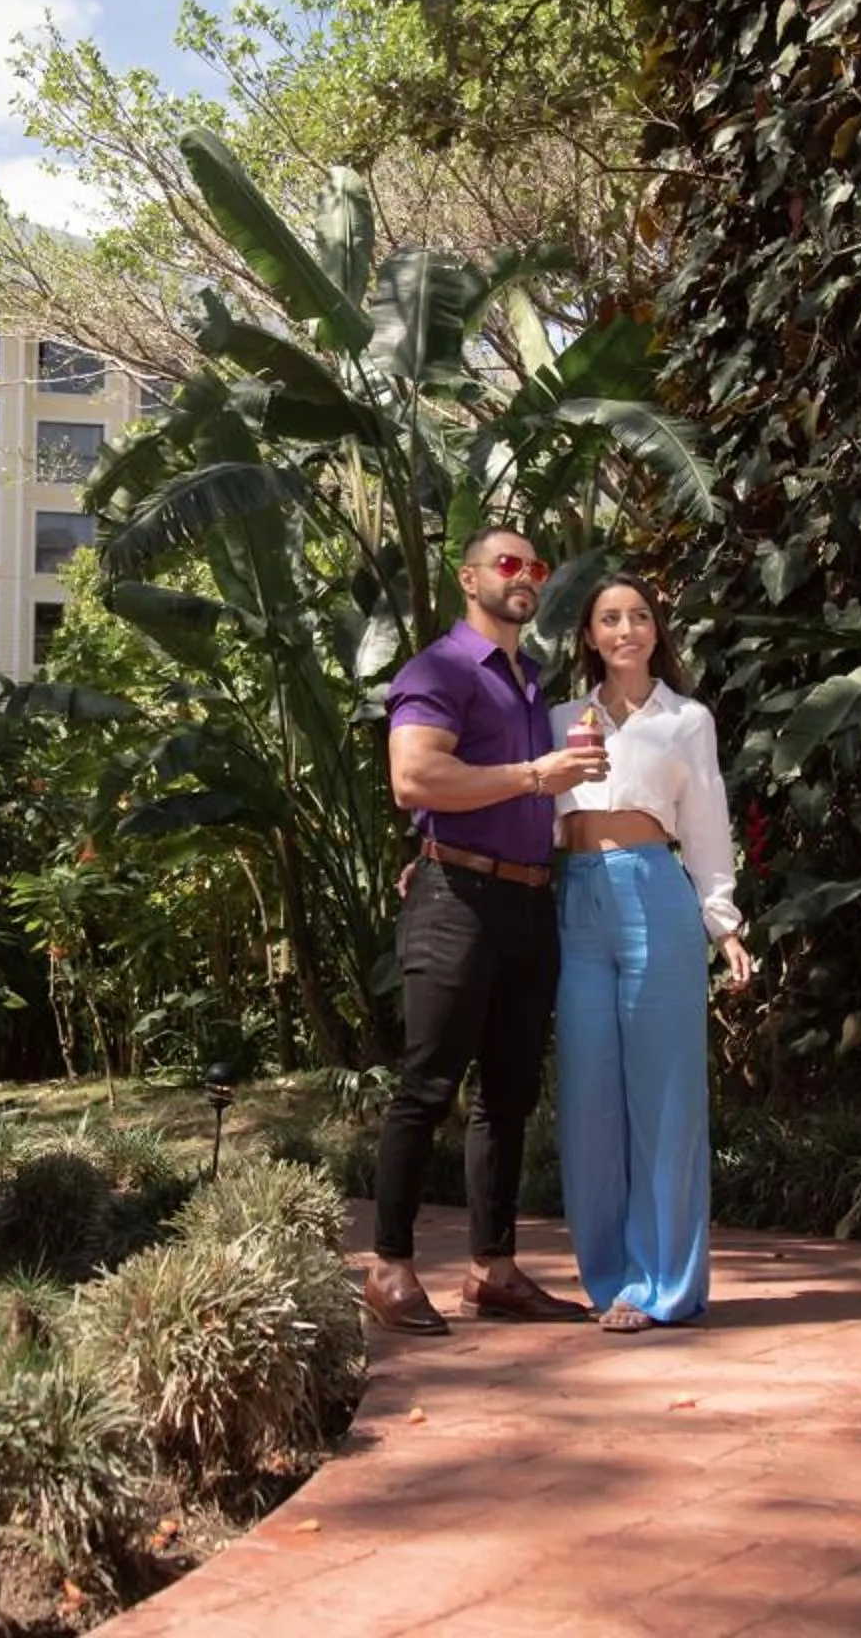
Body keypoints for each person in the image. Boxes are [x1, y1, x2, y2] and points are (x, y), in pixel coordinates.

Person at [361, 525, 609, 1336]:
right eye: (508, 563)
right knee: (426, 1086)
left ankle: (492, 1270)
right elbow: (412, 778)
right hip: (457, 897)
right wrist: (533, 777)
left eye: (535, 566)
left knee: (507, 1095)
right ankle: (390, 1268)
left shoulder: (529, 678)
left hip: (529, 902)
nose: (526, 576)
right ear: (469, 578)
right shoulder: (438, 669)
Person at [549, 573, 753, 1332]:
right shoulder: (561, 718)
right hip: (576, 905)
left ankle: (663, 1282)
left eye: (639, 616)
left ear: (656, 631)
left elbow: (705, 823)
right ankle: (610, 1279)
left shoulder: (685, 720)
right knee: (590, 1100)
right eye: (610, 618)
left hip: (656, 898)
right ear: (591, 636)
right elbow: (528, 814)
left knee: (665, 1101)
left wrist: (722, 922)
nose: (626, 629)